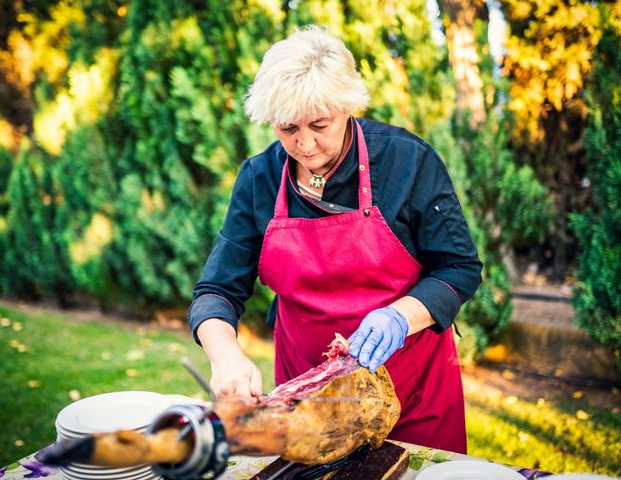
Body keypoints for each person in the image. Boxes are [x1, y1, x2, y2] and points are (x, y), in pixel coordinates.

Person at [188, 25, 482, 454]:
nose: (305, 144)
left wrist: (399, 318)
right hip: (309, 395)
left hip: (413, 389)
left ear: (347, 107)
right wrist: (225, 355)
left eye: (319, 125)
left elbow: (459, 268)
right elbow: (216, 290)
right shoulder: (259, 178)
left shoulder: (407, 161)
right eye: (288, 128)